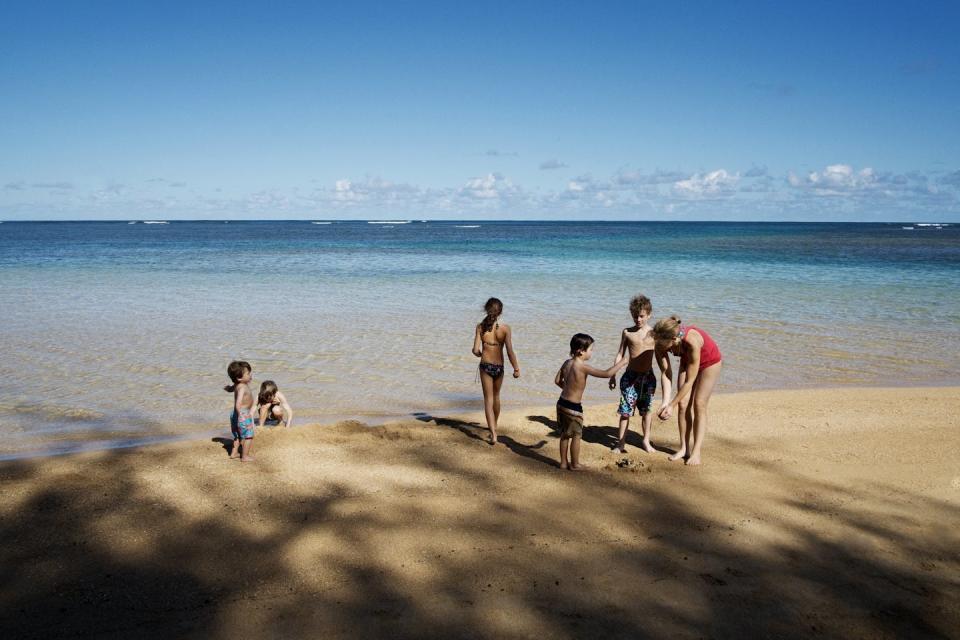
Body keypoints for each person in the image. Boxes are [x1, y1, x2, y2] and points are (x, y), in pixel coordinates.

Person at [652, 317, 722, 466]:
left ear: (673, 339)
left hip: (709, 362)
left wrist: (672, 405)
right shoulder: (659, 341)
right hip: (687, 360)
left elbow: (690, 381)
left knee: (699, 404)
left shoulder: (692, 342)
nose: (661, 348)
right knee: (683, 405)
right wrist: (666, 402)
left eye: (665, 346)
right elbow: (666, 372)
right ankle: (684, 448)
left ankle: (696, 451)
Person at [554, 333, 628, 470]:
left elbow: (557, 380)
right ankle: (575, 464)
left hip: (562, 403)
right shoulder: (583, 367)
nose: (592, 352)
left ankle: (563, 463)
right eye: (591, 349)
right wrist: (621, 363)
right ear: (581, 351)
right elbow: (607, 374)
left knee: (564, 434)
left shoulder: (566, 363)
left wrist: (568, 389)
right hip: (574, 408)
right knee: (576, 435)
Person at [608, 294, 658, 454]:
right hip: (630, 378)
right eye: (635, 316)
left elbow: (663, 352)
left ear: (649, 315)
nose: (638, 319)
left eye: (642, 316)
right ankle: (620, 443)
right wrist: (613, 374)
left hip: (648, 378)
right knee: (625, 412)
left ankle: (646, 441)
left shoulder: (654, 333)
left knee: (647, 411)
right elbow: (619, 354)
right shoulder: (627, 332)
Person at [472, 297, 520, 445]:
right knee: (497, 397)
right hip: (499, 367)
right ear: (500, 312)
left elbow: (475, 350)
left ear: (486, 310)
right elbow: (510, 351)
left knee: (488, 400)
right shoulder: (505, 329)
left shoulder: (480, 327)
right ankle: (495, 425)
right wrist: (516, 368)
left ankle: (493, 434)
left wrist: (481, 354)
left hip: (485, 366)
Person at [225, 360, 255, 462]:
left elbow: (232, 389)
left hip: (235, 414)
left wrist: (229, 388)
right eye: (248, 373)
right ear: (239, 378)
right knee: (248, 436)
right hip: (242, 414)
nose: (250, 375)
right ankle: (245, 456)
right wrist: (241, 415)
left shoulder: (237, 385)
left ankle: (234, 453)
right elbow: (238, 403)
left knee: (237, 435)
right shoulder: (242, 387)